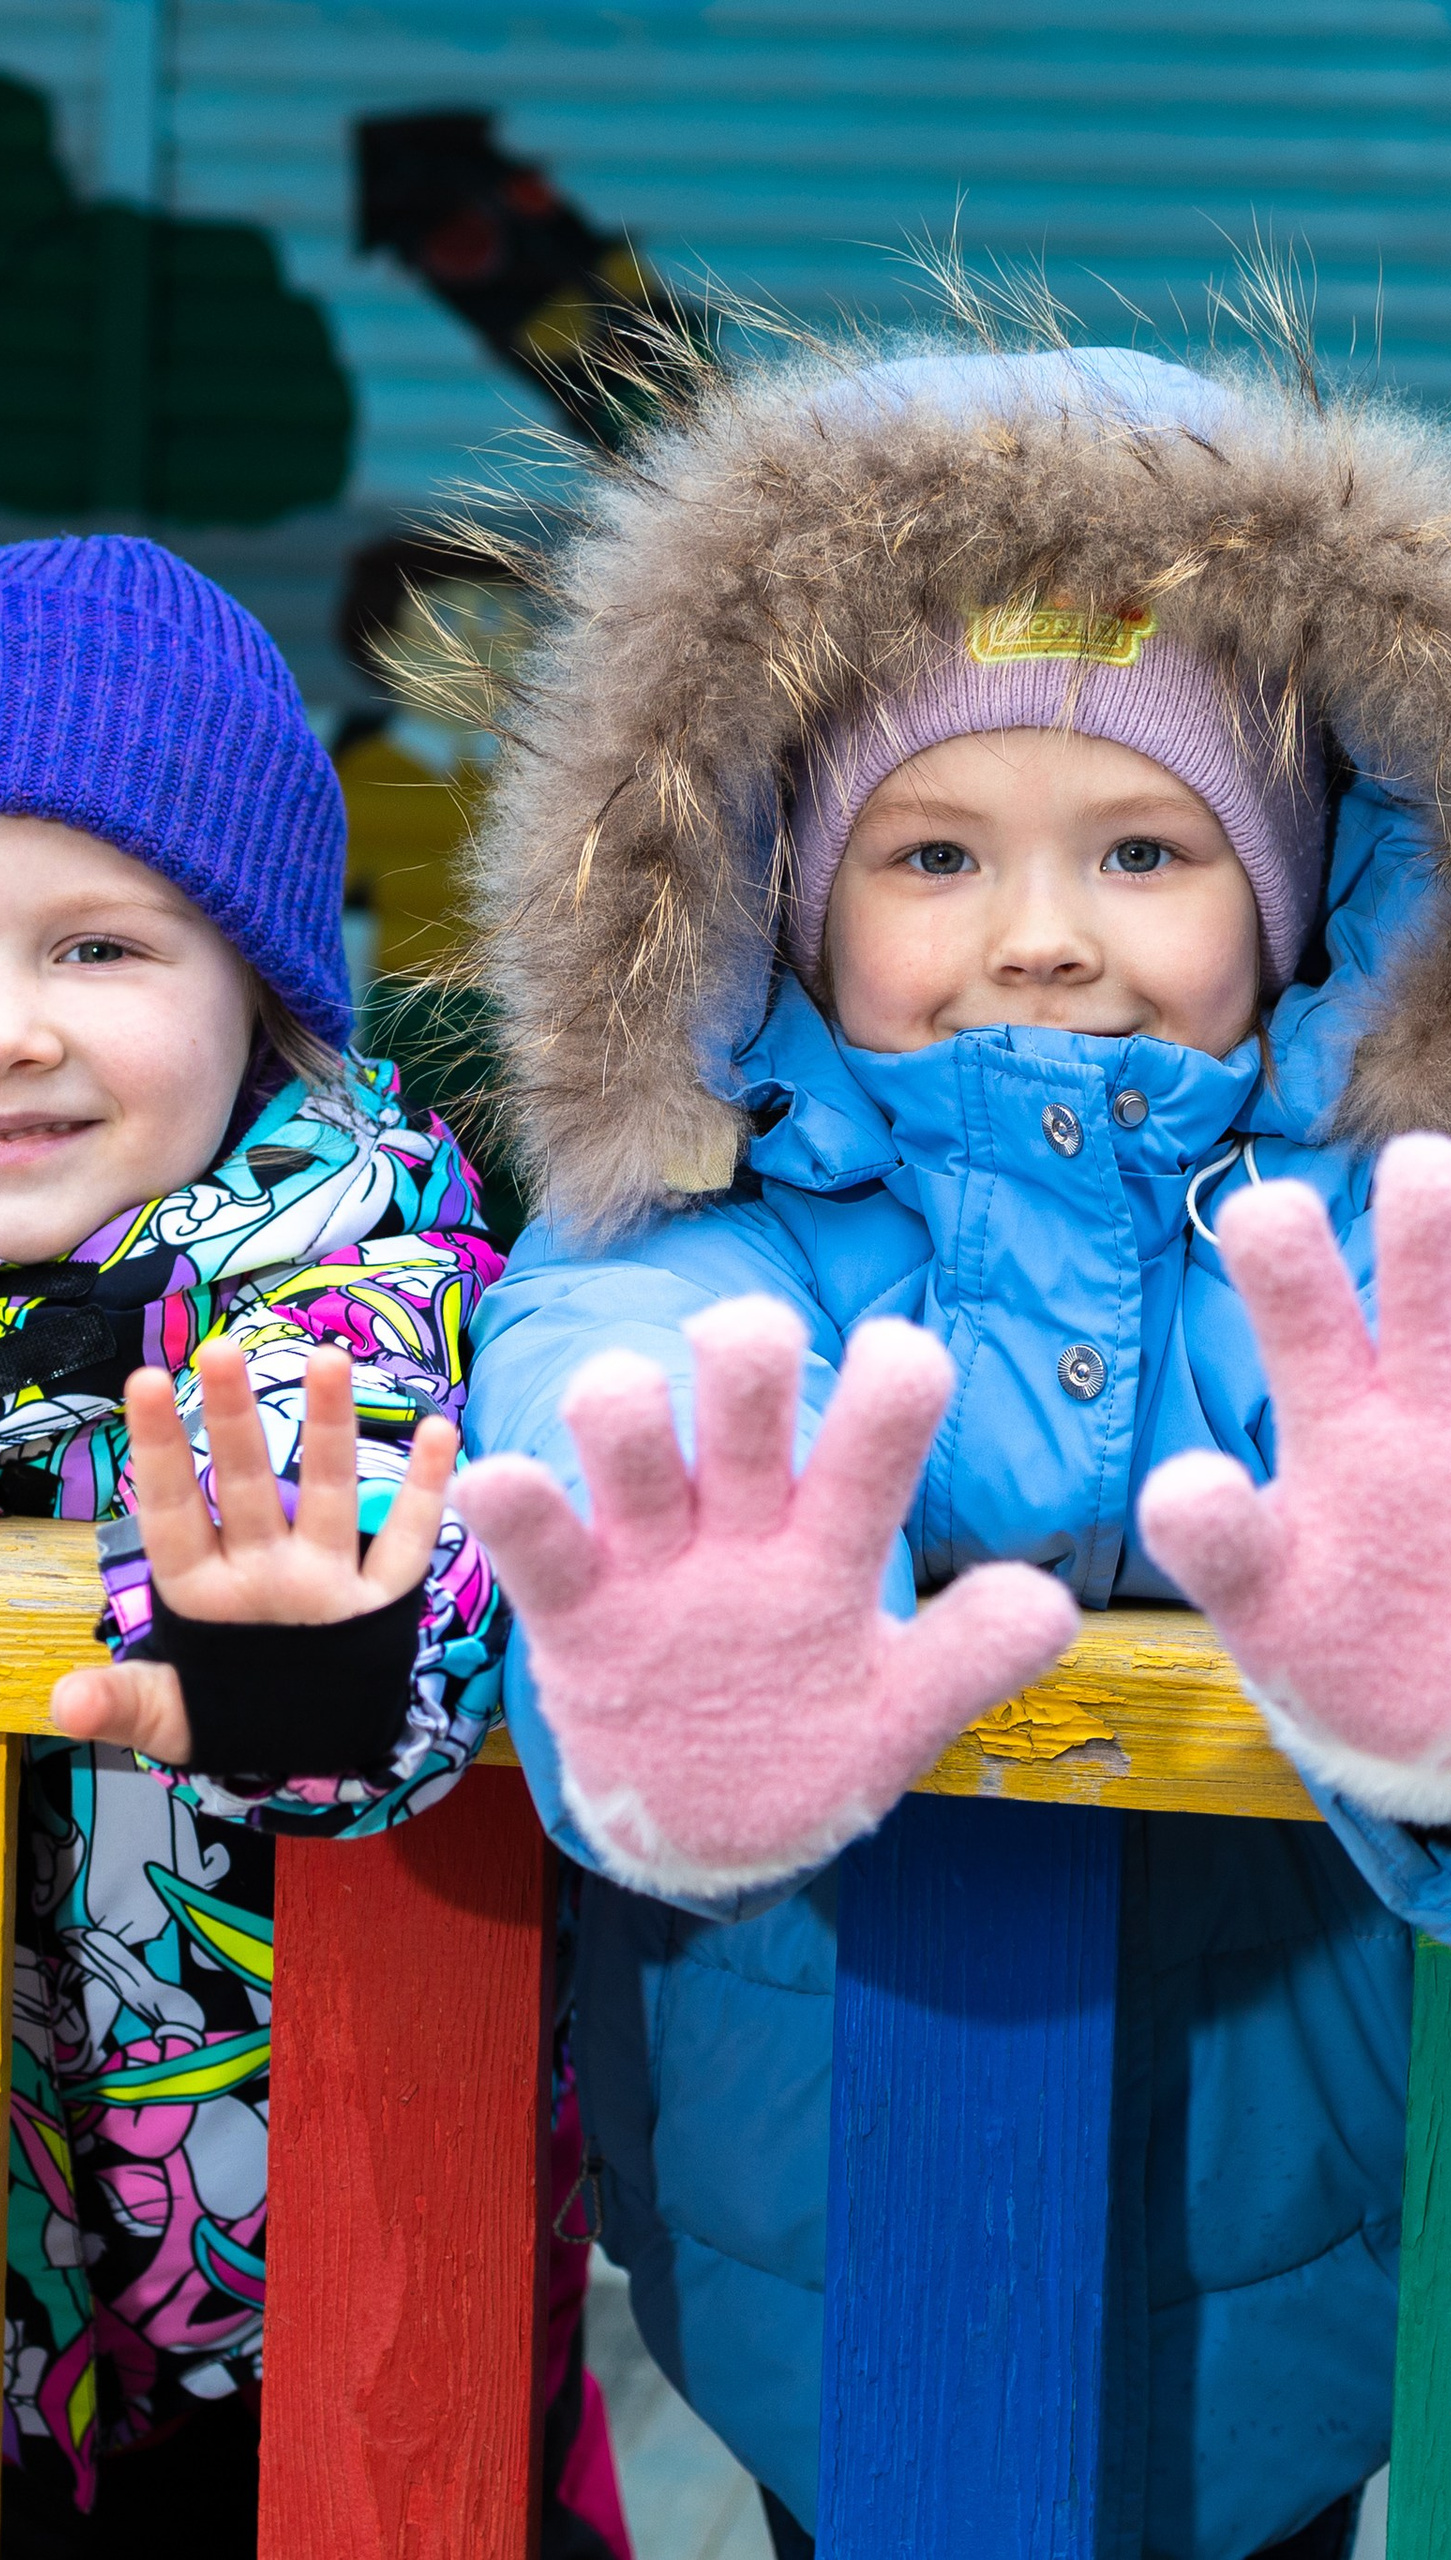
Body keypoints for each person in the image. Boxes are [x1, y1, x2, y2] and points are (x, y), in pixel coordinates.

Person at [454, 334, 1451, 2559]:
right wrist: (679, 1610)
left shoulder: (1380, 1203)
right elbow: (601, 1356)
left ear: (1291, 908)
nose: (1042, 932)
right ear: (791, 893)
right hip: (820, 2195)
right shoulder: (718, 1214)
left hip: (1280, 2189)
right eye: (932, 850)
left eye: (1143, 847)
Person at [0, 535, 600, 2557]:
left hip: (318, 2297)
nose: (16, 1026)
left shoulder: (343, 1279)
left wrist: (312, 1656)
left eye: (99, 949)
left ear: (254, 986)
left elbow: (405, 1542)